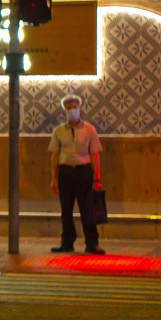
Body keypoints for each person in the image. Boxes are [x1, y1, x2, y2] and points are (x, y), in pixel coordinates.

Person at [47, 94, 104, 255]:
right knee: (66, 209)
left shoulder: (89, 129)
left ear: (80, 109)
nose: (72, 110)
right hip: (65, 172)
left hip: (83, 171)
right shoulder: (58, 131)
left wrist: (97, 177)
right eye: (68, 108)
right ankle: (67, 242)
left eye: (74, 107)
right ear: (64, 111)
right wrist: (54, 179)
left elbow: (94, 154)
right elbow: (55, 155)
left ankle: (92, 243)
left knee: (88, 209)